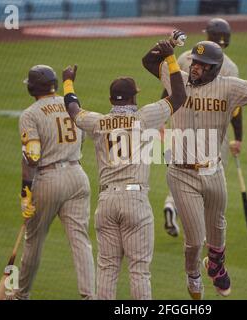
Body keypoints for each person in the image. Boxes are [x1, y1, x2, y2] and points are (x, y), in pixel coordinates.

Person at [142, 35, 247, 299]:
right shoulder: (178, 80)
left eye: (202, 64)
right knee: (195, 240)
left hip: (214, 171)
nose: (195, 67)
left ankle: (216, 266)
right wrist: (168, 45)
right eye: (194, 62)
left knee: (217, 229)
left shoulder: (229, 87)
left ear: (214, 68)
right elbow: (149, 61)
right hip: (181, 172)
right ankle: (193, 275)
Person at [61, 37, 186, 299]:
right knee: (139, 270)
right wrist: (171, 59)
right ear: (134, 97)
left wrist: (68, 80)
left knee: (107, 269)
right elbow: (180, 96)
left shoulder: (97, 122)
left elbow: (73, 109)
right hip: (135, 200)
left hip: (106, 202)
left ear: (110, 98)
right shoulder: (145, 116)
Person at [17, 65, 95, 300]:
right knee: (81, 240)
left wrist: (26, 193)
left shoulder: (30, 114)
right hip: (77, 175)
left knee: (34, 241)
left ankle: (21, 295)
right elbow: (81, 140)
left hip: (48, 179)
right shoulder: (71, 105)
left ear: (32, 88)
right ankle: (89, 295)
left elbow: (32, 156)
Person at [163, 18, 242, 238]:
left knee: (180, 170)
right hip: (214, 131)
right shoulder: (231, 67)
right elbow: (234, 107)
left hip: (179, 126)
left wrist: (162, 121)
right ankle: (205, 230)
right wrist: (239, 137)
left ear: (208, 35)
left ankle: (172, 203)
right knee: (209, 175)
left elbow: (169, 90)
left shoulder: (185, 56)